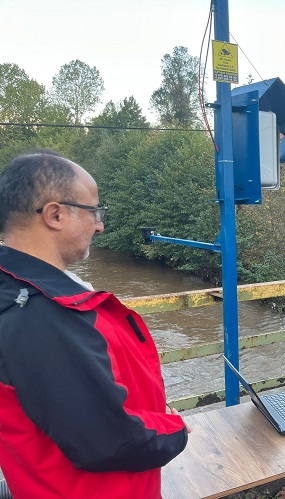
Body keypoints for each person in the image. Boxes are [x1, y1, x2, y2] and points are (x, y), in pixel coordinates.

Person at [0, 151, 189, 498]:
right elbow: (108, 440)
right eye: (93, 211)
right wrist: (175, 429)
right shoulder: (44, 314)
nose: (100, 225)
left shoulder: (16, 289)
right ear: (55, 214)